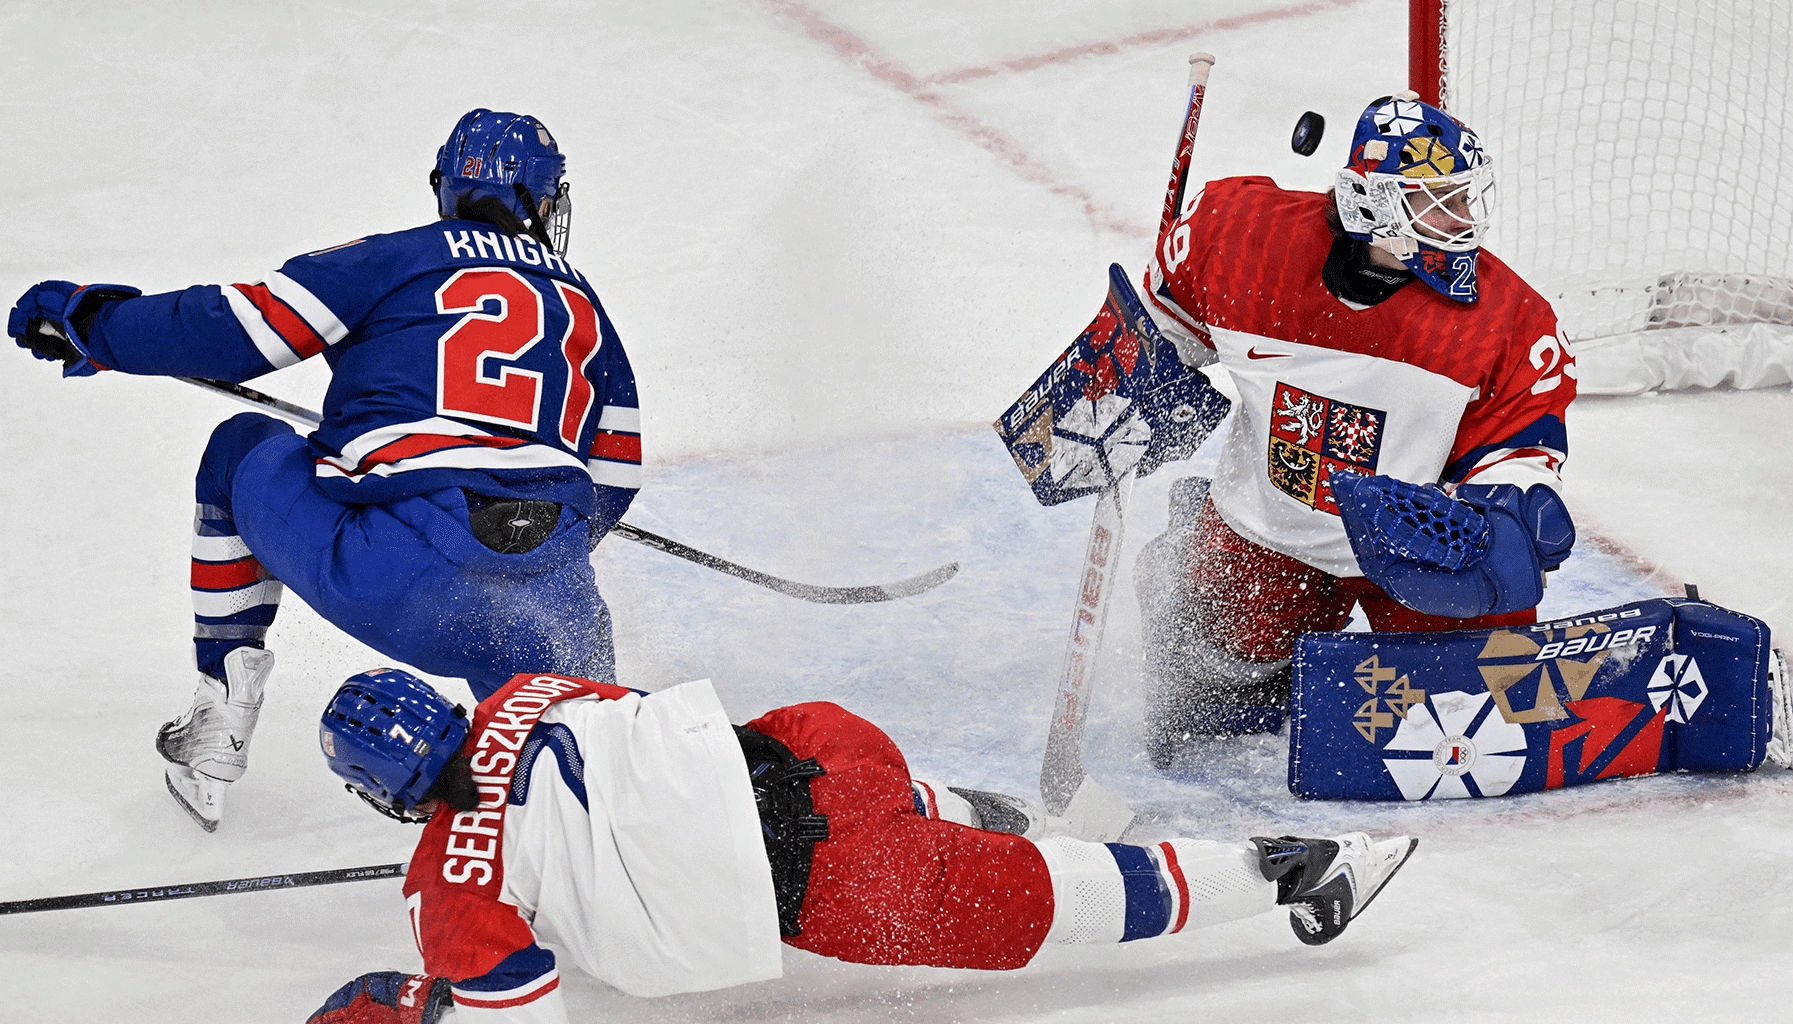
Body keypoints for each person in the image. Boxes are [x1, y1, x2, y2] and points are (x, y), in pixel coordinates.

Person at [5, 109, 645, 831]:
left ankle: (220, 719)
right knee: (586, 781)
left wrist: (95, 324)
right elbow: (615, 475)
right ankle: (542, 788)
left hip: (403, 579)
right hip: (555, 609)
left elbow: (238, 330)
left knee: (239, 447)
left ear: (446, 187)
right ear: (540, 199)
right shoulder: (584, 302)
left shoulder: (400, 257)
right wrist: (519, 538)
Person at [305, 667, 1417, 1024]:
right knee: (850, 791)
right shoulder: (523, 691)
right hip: (821, 741)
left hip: (840, 879)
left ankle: (1290, 869)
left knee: (1057, 902)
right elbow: (647, 736)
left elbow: (519, 1009)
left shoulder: (445, 886)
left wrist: (421, 1003)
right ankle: (954, 806)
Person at [1133, 93, 1577, 766]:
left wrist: (1511, 506)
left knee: (1467, 713)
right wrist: (1131, 371)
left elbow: (1518, 444)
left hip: (1417, 543)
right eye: (1440, 202)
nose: (1464, 218)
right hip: (1270, 529)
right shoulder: (1243, 240)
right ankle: (1192, 549)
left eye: (1464, 197)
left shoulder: (1511, 318)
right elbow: (1167, 321)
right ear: (1376, 207)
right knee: (1217, 690)